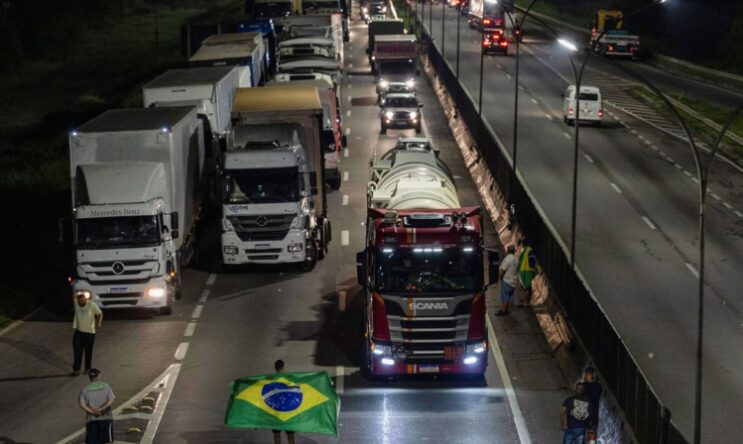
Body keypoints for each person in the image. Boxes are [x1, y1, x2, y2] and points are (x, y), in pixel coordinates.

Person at [79, 368, 115, 444]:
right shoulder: (105, 386)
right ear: (98, 376)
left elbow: (82, 405)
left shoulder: (85, 389)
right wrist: (101, 409)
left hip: (92, 419)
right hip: (106, 418)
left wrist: (93, 411)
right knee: (106, 441)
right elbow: (111, 400)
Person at [72, 292, 103, 376]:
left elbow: (99, 313)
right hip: (78, 332)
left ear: (86, 299)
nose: (81, 302)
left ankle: (87, 368)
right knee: (77, 351)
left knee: (88, 352)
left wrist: (98, 323)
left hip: (89, 333)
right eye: (80, 301)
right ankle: (76, 369)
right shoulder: (76, 304)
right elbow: (74, 295)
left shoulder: (91, 305)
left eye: (83, 300)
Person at [272, 360, 296, 444]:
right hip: (288, 411)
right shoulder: (289, 379)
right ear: (283, 367)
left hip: (276, 411)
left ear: (275, 368)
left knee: (276, 434)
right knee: (290, 435)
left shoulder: (272, 380)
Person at [496, 245, 518, 315]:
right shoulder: (516, 259)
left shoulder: (507, 259)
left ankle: (503, 310)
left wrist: (500, 277)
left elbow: (503, 270)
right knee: (510, 296)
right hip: (513, 281)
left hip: (507, 280)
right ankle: (508, 310)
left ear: (507, 251)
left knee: (505, 296)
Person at [517, 238, 537, 307]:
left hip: (521, 271)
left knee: (523, 287)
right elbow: (532, 262)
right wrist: (534, 270)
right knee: (528, 287)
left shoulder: (522, 250)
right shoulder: (530, 251)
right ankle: (526, 302)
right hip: (527, 271)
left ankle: (523, 301)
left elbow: (519, 261)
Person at [582, 366, 603, 432]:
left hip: (584, 415)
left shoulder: (582, 386)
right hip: (594, 415)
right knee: (592, 436)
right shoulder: (598, 386)